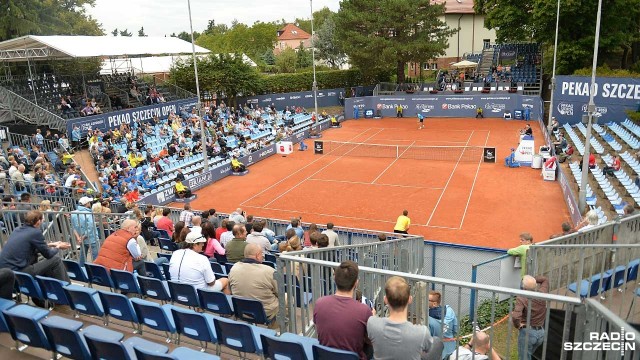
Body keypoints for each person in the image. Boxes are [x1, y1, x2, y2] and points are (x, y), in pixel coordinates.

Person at [368, 276, 443, 360]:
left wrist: (373, 315)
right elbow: (428, 349)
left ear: (385, 300)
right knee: (437, 342)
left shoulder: (372, 323)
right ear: (410, 299)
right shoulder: (422, 332)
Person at [0, 211, 71, 296]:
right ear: (38, 222)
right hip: (19, 273)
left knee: (44, 263)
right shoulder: (35, 232)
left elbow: (28, 247)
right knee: (56, 260)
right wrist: (58, 247)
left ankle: (56, 290)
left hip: (6, 272)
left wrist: (52, 244)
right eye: (42, 220)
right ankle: (66, 292)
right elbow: (48, 254)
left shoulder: (17, 230)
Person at [314, 261, 374, 360]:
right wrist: (373, 320)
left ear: (335, 279)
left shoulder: (319, 303)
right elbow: (370, 339)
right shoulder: (364, 310)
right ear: (356, 283)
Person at [228, 243, 279, 322]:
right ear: (257, 255)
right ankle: (276, 327)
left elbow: (230, 289)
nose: (263, 256)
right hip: (265, 312)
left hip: (241, 309)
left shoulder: (234, 268)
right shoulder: (269, 271)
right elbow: (279, 292)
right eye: (262, 253)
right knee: (289, 298)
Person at [512, 275, 548, 360]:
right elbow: (545, 279)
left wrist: (518, 325)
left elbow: (516, 316)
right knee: (527, 355)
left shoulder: (521, 298)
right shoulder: (542, 294)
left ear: (522, 286)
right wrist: (532, 281)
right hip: (541, 334)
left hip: (527, 334)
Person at [428, 291, 459, 359]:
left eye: (428, 300)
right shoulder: (449, 310)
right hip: (451, 348)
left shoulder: (427, 318)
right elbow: (456, 329)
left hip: (437, 353)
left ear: (434, 303)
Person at [71, 196, 100, 265]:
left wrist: (78, 238)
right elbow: (91, 227)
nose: (90, 203)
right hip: (92, 238)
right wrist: (83, 237)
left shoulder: (73, 213)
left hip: (81, 238)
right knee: (95, 257)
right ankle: (95, 270)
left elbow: (73, 227)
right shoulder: (89, 214)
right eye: (89, 202)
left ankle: (81, 269)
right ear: (87, 203)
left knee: (82, 255)